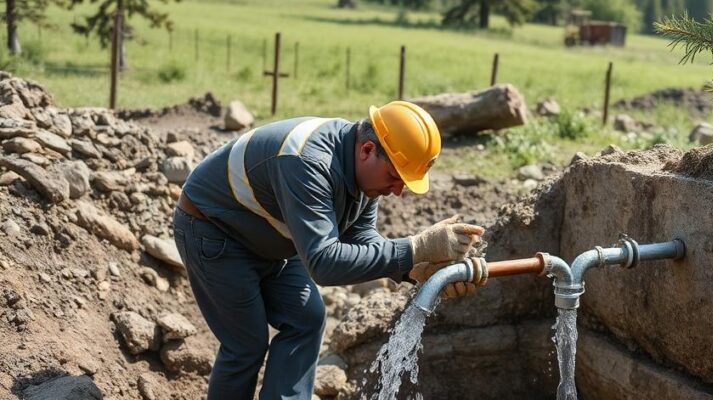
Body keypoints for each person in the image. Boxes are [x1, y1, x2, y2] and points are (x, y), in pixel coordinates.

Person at [172, 100, 485, 399]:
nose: (398, 191)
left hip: (270, 234)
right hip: (215, 229)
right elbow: (324, 263)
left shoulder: (361, 172)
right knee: (246, 345)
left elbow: (362, 235)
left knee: (306, 318)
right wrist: (414, 247)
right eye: (394, 177)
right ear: (367, 150)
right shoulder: (308, 163)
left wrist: (414, 270)